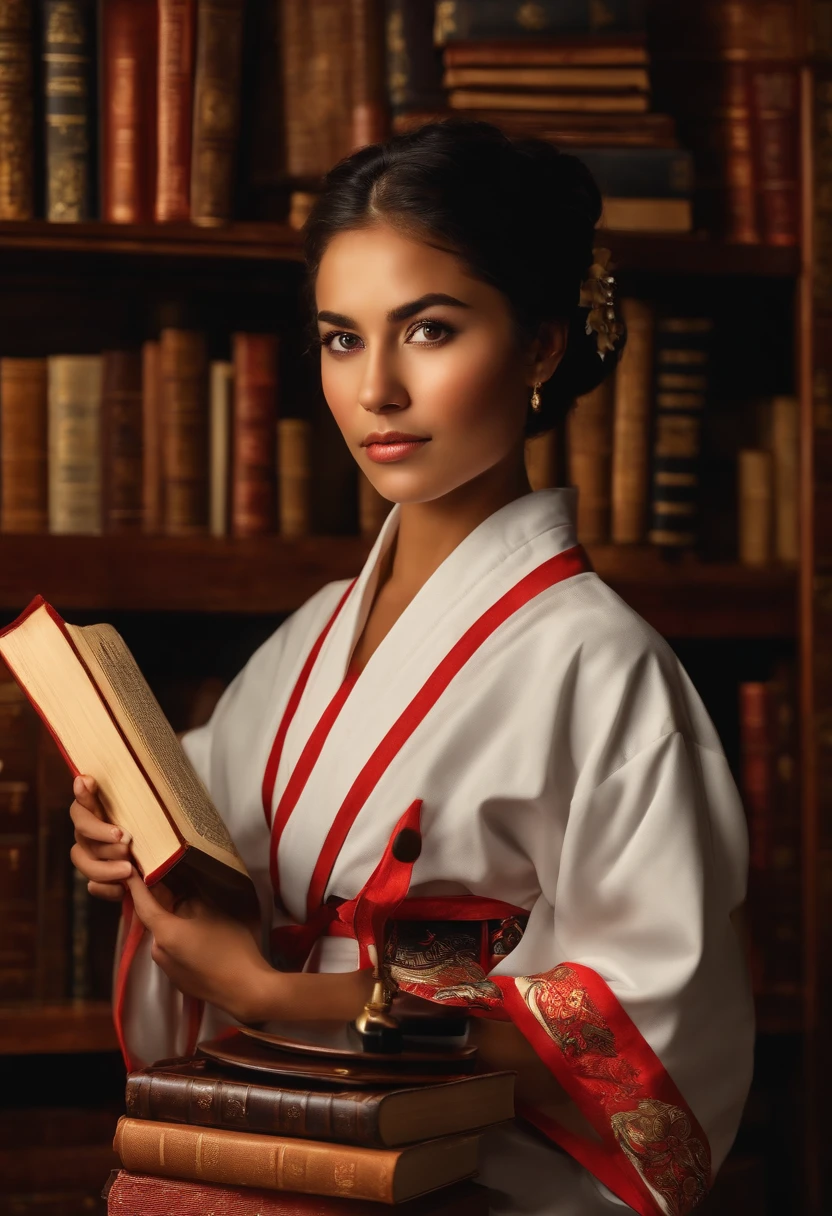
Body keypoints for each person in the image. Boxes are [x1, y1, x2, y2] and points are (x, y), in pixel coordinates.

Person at [69, 120, 754, 1216]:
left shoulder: (604, 666)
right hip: (275, 1125)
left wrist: (266, 989)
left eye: (428, 330)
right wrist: (127, 834)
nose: (376, 389)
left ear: (537, 346)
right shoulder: (307, 638)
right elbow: (208, 836)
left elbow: (636, 1024)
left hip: (470, 1171)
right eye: (341, 338)